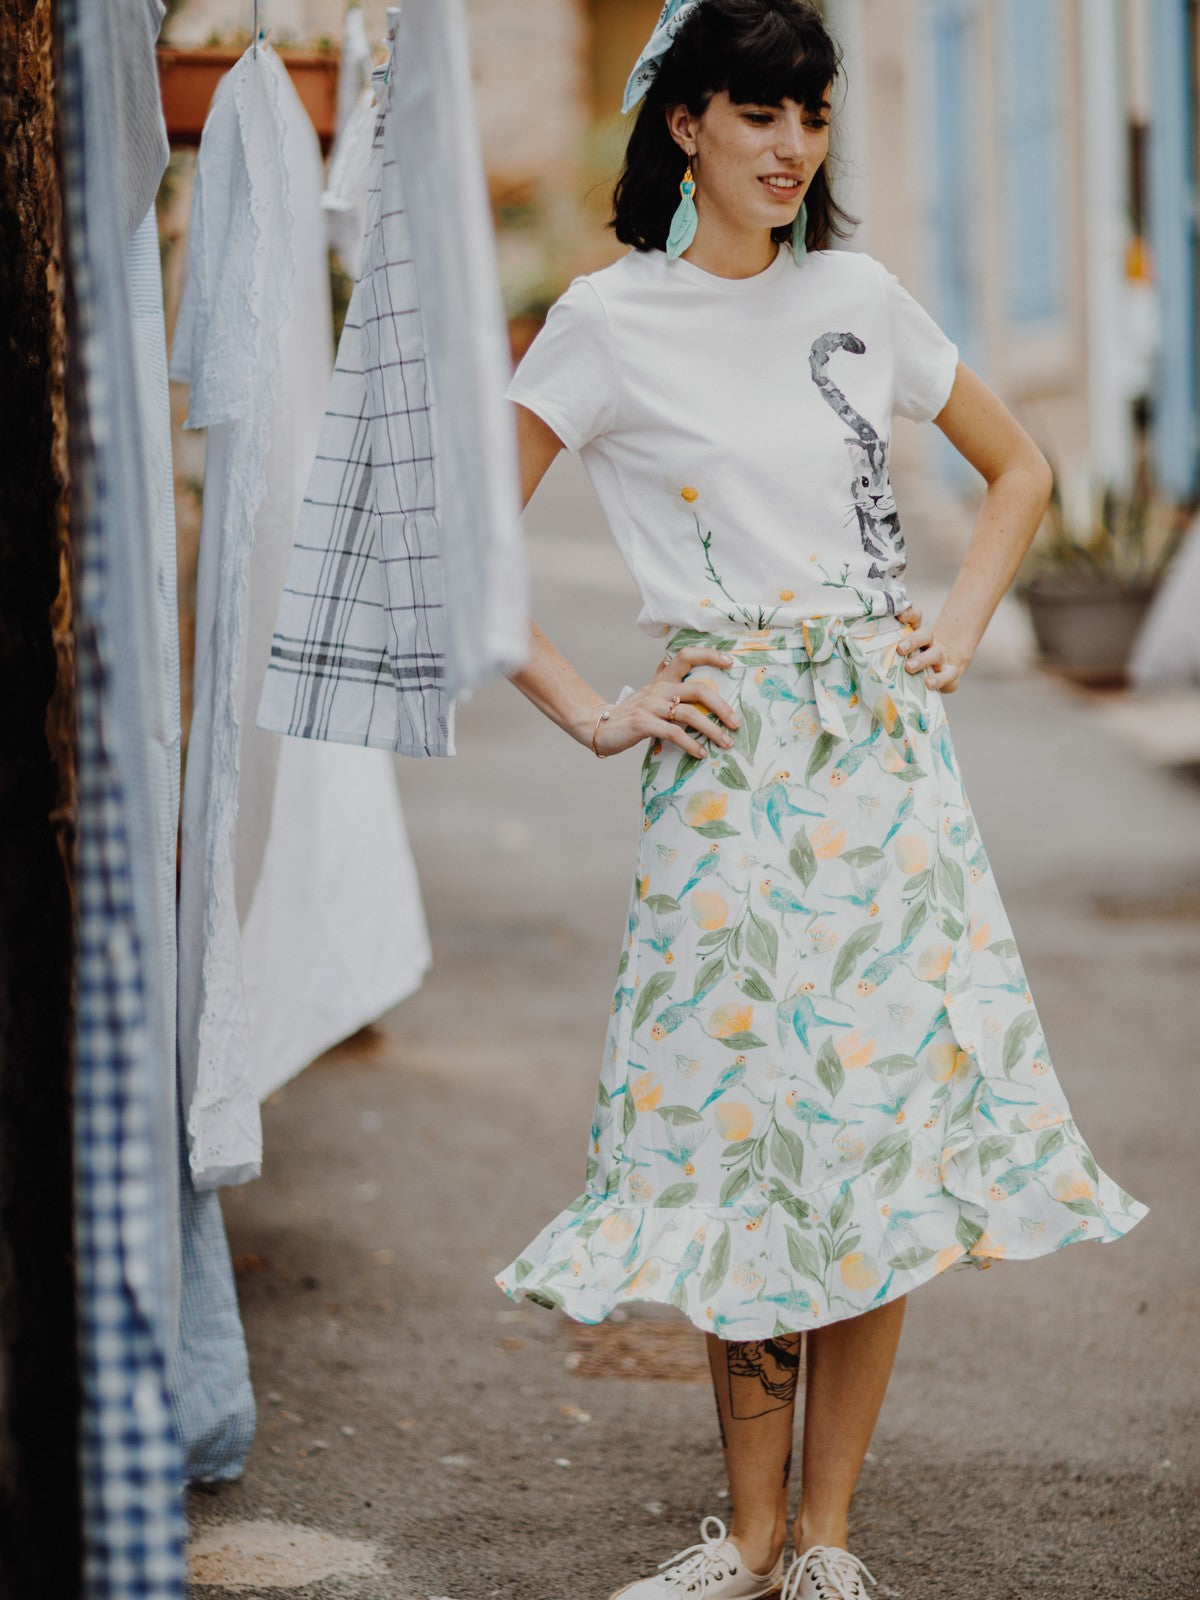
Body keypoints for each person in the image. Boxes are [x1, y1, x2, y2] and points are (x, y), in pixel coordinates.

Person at [495, 4, 1147, 1597]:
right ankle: (753, 1535)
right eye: (761, 114)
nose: (793, 148)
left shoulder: (859, 299)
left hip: (881, 766)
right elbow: (469, 545)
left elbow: (1021, 475)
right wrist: (597, 709)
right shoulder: (604, 319)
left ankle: (829, 1546)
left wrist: (967, 618)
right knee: (743, 1142)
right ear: (685, 127)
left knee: (869, 1137)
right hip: (724, 771)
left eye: (816, 117)